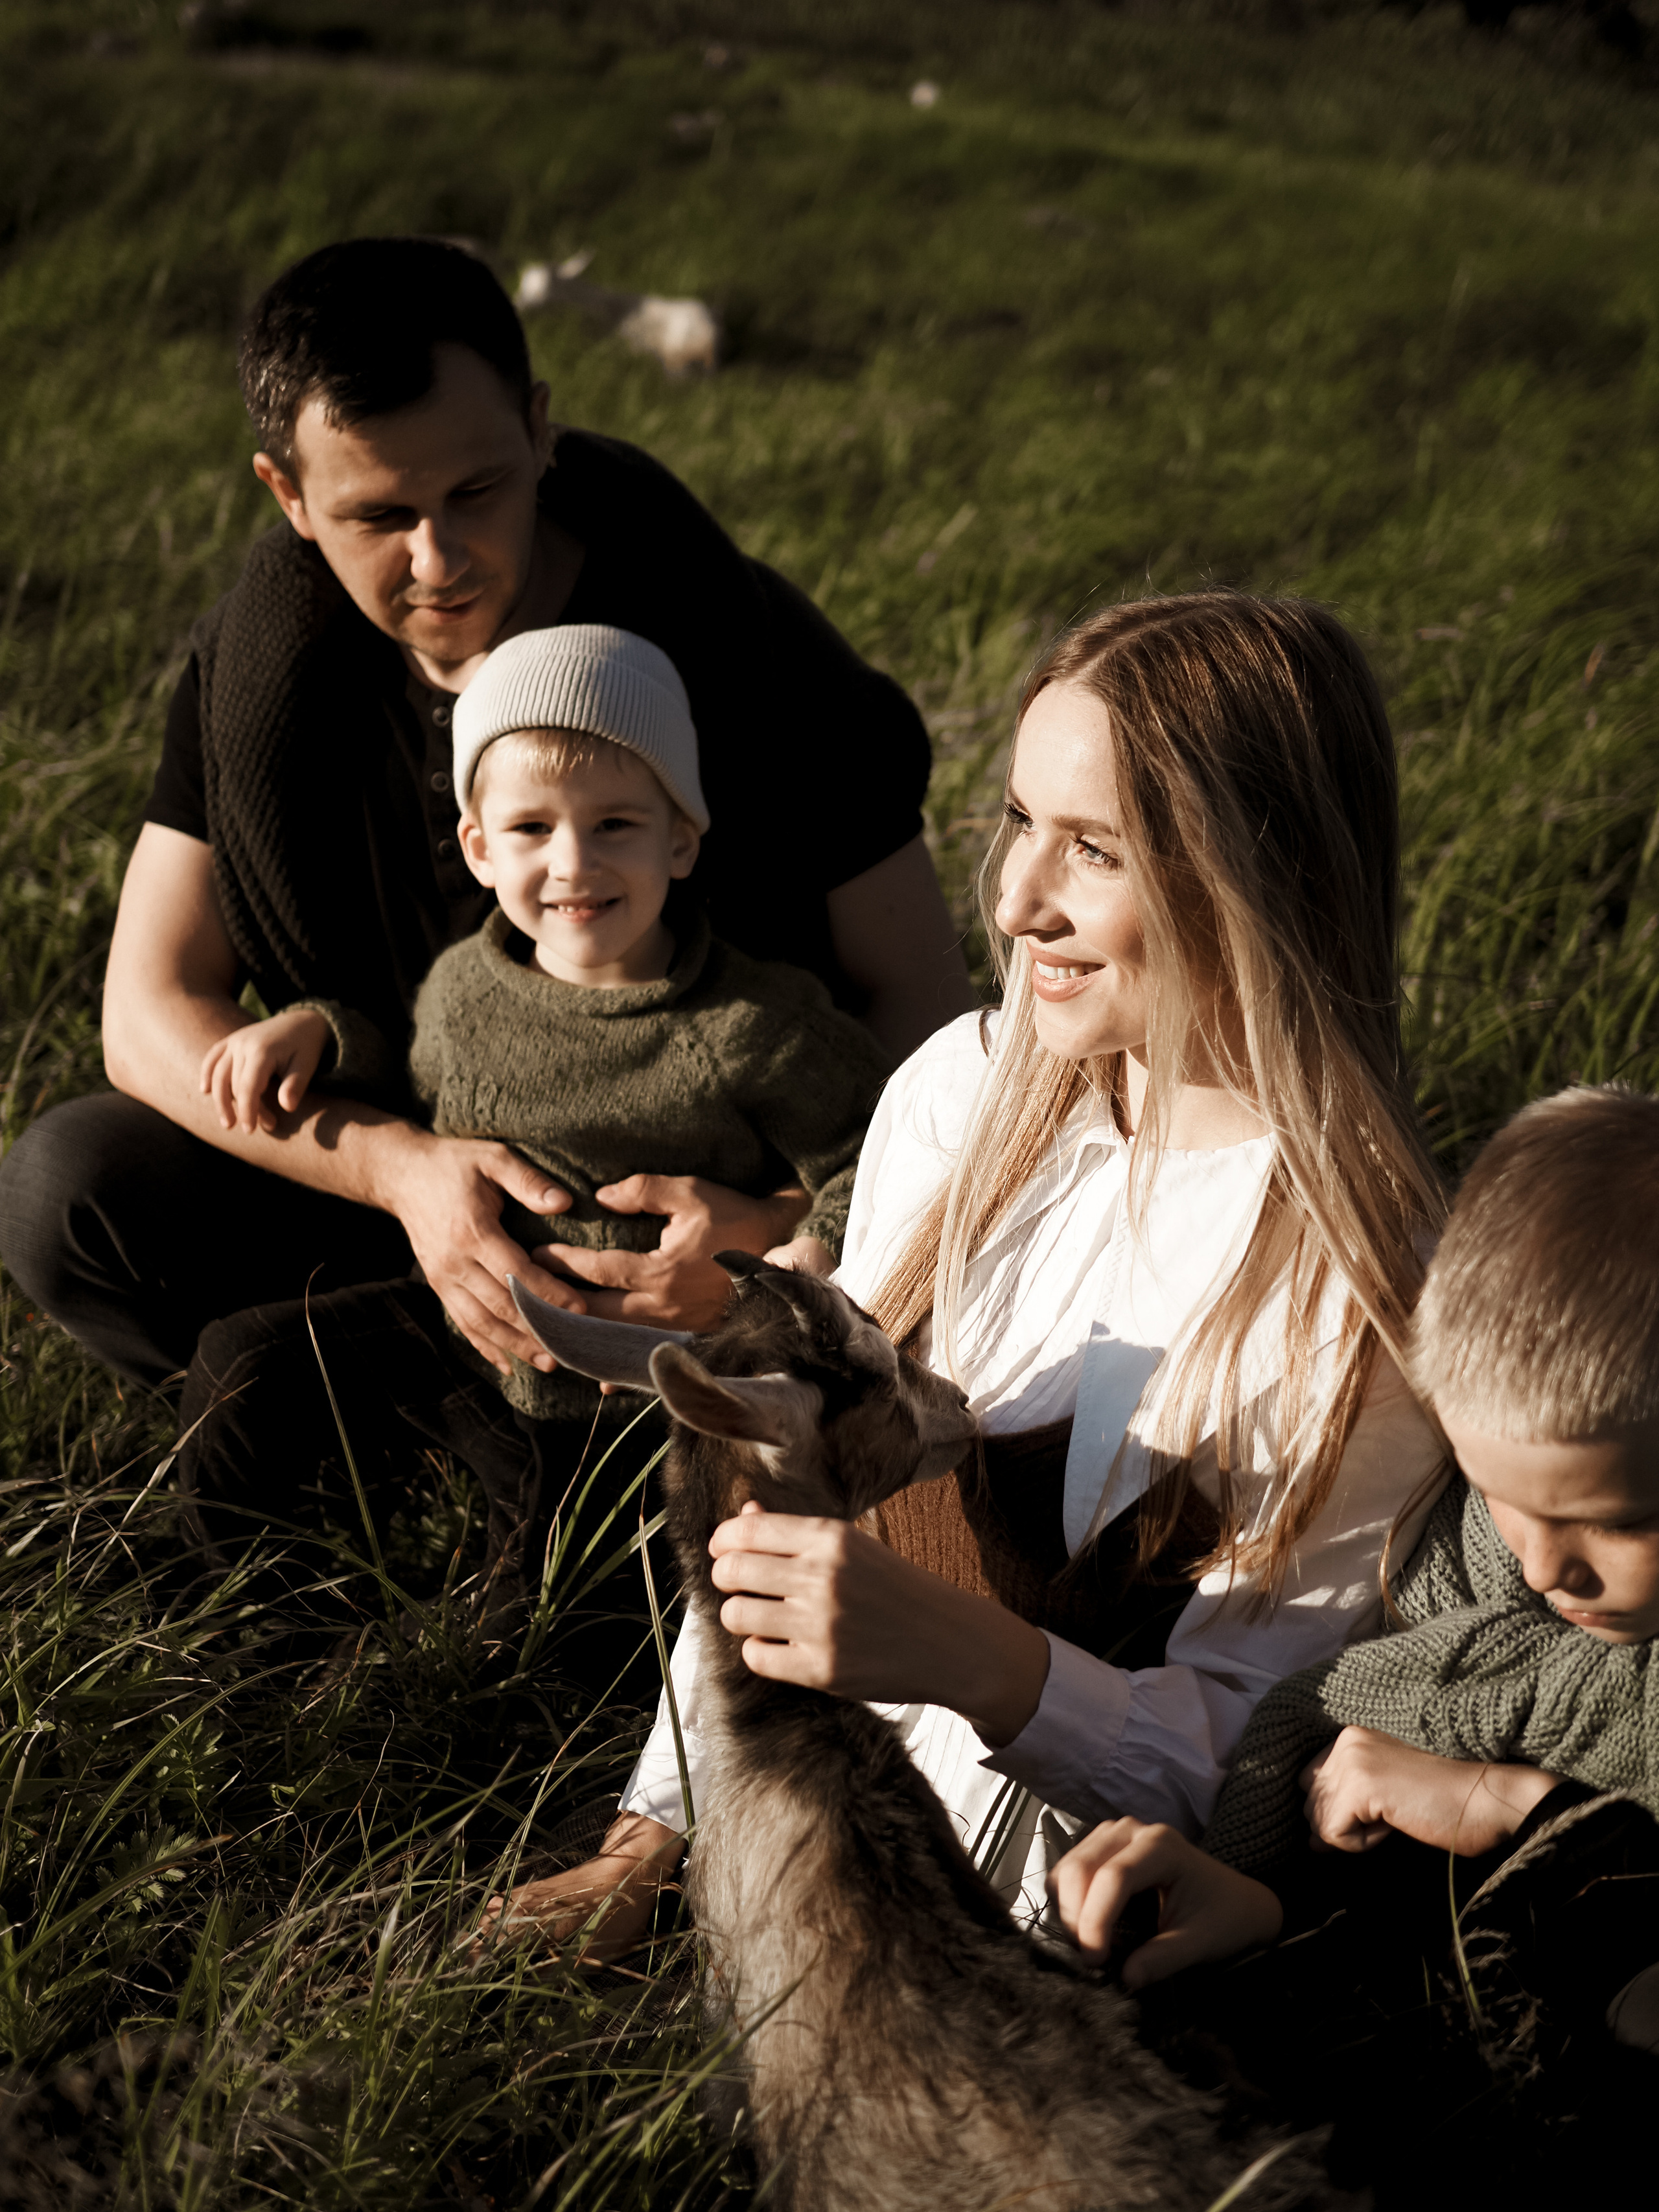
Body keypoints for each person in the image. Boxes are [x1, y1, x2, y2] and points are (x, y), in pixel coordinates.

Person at [479, 587, 1451, 1955]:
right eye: (1018, 821)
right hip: (802, 1833)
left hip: (1054, 1941)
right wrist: (651, 1840)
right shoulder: (961, 1096)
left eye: (1095, 852)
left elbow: (1254, 1774)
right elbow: (783, 1505)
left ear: (1258, 873)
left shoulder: (1360, 1294)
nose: (1012, 901)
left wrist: (981, 1665)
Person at [0, 235, 971, 1390]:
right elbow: (148, 1008)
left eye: (477, 492)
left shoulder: (739, 645)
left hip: (693, 1226)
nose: (440, 558)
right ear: (289, 496)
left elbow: (928, 1007)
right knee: (67, 1188)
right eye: (380, 515)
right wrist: (403, 1172)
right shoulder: (264, 677)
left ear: (539, 430)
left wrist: (784, 1232)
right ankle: (416, 1415)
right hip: (405, 1186)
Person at [176, 624, 891, 1659]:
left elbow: (884, 1144)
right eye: (530, 829)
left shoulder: (756, 1023)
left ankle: (467, 1677)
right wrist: (319, 1030)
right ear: (477, 846)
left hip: (624, 1392)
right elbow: (412, 1079)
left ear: (681, 838)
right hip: (467, 1334)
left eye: (615, 824)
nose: (572, 863)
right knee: (243, 1364)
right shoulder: (469, 985)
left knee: (542, 1626)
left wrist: (800, 1256)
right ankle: (237, 1625)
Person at [1045, 1083, 1659, 2198]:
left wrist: (1509, 1809)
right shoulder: (1467, 1585)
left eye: (1618, 1521)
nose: (1545, 1568)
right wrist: (1266, 1898)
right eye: (1505, 1499)